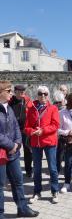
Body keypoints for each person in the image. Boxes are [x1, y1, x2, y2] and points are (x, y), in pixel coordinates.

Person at [0, 81, 39, 218]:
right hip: (2, 154)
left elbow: (16, 127)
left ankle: (22, 208)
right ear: (1, 92)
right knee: (0, 185)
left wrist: (17, 143)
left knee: (18, 181)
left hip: (14, 153)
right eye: (8, 90)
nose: (11, 93)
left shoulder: (8, 107)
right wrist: (11, 145)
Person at [25, 86, 60, 204]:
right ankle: (37, 192)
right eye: (40, 94)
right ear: (37, 95)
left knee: (52, 168)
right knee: (37, 168)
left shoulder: (53, 108)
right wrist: (32, 132)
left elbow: (55, 125)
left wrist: (43, 131)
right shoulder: (31, 108)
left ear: (48, 95)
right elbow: (26, 127)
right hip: (36, 142)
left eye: (45, 94)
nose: (43, 96)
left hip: (49, 142)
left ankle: (55, 191)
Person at [9, 84, 33, 178]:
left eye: (23, 92)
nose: (21, 94)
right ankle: (15, 171)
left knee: (27, 150)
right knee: (14, 150)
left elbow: (32, 113)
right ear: (15, 92)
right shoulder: (10, 101)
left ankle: (28, 170)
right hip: (14, 130)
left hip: (25, 129)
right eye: (19, 92)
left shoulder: (27, 100)